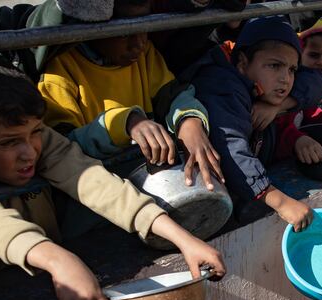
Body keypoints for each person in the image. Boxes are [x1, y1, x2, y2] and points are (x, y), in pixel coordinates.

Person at [0, 55, 225, 300]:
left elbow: (92, 181)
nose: (30, 152)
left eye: (34, 133)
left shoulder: (32, 133)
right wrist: (58, 259)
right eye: (9, 143)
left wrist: (181, 238)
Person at [37, 0, 222, 190]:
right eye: (124, 33)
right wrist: (125, 123)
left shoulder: (146, 55)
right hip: (100, 188)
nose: (139, 44)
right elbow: (62, 147)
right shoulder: (60, 71)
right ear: (91, 26)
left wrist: (189, 121)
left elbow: (172, 95)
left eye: (144, 27)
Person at [188, 16, 322, 231]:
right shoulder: (223, 86)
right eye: (274, 65)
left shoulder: (262, 88)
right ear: (242, 63)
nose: (285, 79)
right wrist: (279, 201)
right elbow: (230, 148)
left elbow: (316, 82)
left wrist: (279, 107)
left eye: (292, 69)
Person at [274, 14, 322, 164]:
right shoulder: (285, 83)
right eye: (314, 55)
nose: (321, 62)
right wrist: (297, 139)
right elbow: (277, 127)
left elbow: (310, 112)